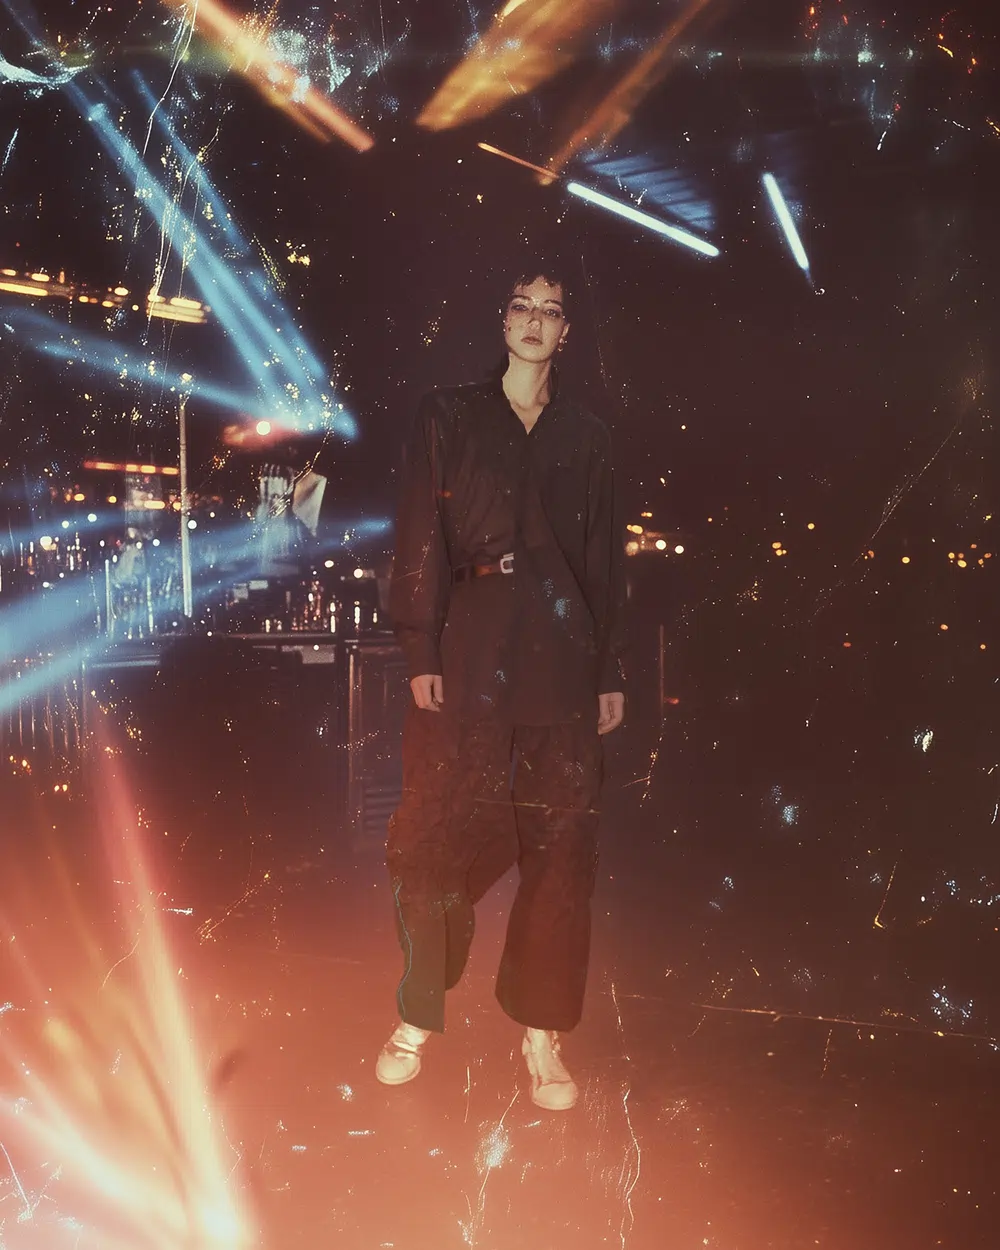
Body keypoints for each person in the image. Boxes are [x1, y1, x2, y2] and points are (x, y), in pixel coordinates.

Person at [379, 260, 627, 1111]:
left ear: (565, 332)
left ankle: (543, 1032)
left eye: (550, 310)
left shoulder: (588, 437)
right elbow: (419, 532)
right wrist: (421, 648)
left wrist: (608, 669)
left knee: (563, 845)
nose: (533, 320)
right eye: (522, 306)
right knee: (437, 832)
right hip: (472, 647)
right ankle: (417, 1012)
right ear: (504, 320)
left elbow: (603, 560)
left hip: (562, 655)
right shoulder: (448, 415)